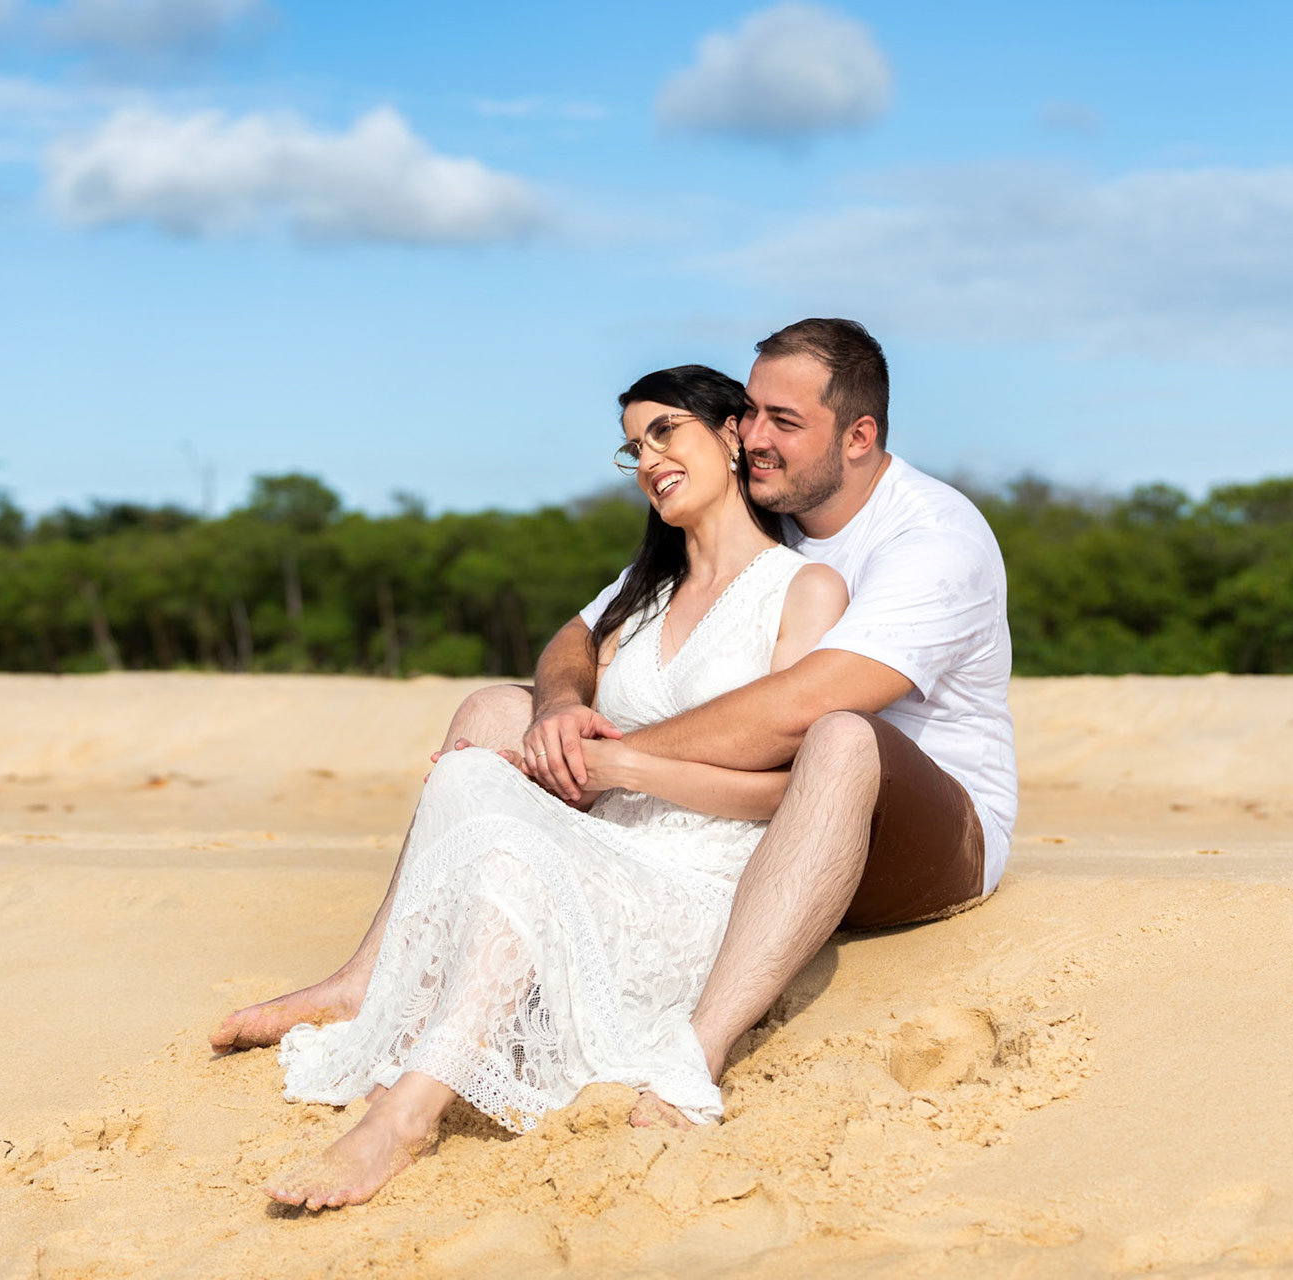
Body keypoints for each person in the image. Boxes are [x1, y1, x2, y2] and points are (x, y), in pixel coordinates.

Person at [216, 317, 1017, 1188]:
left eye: (783, 422)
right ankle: (369, 977)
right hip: (740, 823)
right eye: (749, 414)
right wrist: (559, 717)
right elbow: (578, 638)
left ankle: (698, 1051)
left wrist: (609, 763)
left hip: (921, 829)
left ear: (859, 436)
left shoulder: (929, 539)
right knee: (493, 711)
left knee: (841, 734)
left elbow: (806, 705)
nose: (755, 437)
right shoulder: (752, 518)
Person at [255, 364, 849, 1209]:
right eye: (633, 446)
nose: (647, 460)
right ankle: (406, 1026)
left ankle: (405, 1117)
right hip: (610, 844)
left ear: (729, 434)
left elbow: (790, 794)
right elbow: (566, 690)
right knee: (470, 770)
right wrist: (544, 751)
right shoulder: (642, 597)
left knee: (516, 857)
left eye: (665, 432)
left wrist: (628, 767)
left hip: (700, 882)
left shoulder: (805, 588)